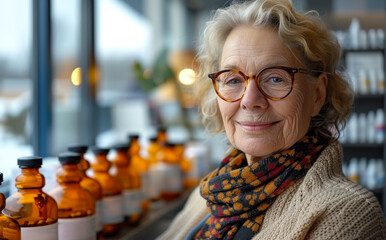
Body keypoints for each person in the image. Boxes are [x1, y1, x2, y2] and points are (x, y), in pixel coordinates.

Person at [157, 0, 386, 239]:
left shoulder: (347, 212)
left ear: (317, 94)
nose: (249, 100)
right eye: (233, 80)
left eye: (276, 78)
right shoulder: (213, 190)